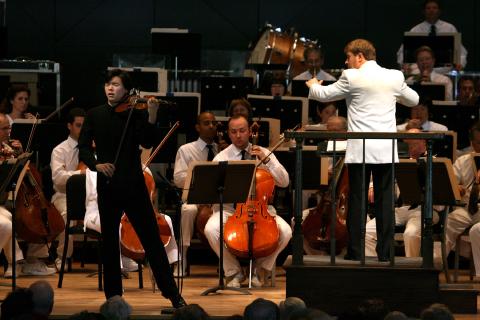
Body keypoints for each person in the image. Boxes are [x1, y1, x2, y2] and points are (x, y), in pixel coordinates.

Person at [78, 69, 186, 309]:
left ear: (126, 90)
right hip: (108, 185)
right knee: (109, 244)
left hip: (134, 185)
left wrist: (152, 113)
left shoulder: (135, 113)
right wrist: (96, 164)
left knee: (151, 240)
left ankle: (173, 295)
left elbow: (147, 141)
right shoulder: (94, 114)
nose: (110, 88)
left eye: (116, 85)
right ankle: (113, 298)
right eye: (108, 84)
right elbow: (83, 148)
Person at [307, 39, 419, 261]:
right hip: (385, 149)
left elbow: (323, 95)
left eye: (348, 57)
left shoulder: (352, 76)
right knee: (385, 203)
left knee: (357, 202)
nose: (346, 62)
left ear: (360, 56)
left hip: (361, 149)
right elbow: (414, 99)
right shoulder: (394, 76)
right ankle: (386, 254)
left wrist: (312, 85)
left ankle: (356, 252)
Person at [204, 115, 292, 287]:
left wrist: (266, 161)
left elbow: (284, 181)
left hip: (261, 209)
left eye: (242, 131)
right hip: (231, 210)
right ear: (228, 133)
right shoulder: (221, 157)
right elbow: (213, 192)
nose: (238, 135)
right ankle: (234, 271)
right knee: (211, 229)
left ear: (250, 131)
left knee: (286, 231)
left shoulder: (264, 153)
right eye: (234, 132)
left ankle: (261, 269)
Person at [365, 128, 440, 258]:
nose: (409, 146)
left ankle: (412, 270)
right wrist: (371, 186)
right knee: (366, 231)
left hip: (426, 210)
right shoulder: (399, 160)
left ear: (423, 141)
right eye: (407, 143)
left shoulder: (436, 161)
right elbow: (378, 178)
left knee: (411, 234)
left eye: (412, 142)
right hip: (400, 209)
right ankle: (377, 267)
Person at [0, 113, 56, 278]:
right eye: (4, 129)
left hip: (15, 196)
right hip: (5, 199)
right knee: (8, 220)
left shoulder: (9, 148)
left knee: (44, 216)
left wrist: (20, 154)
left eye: (9, 128)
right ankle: (14, 263)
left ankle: (29, 261)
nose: (8, 132)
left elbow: (23, 173)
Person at [35, 107, 86, 271]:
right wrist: (81, 173)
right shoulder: (59, 150)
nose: (82, 129)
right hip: (64, 195)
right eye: (78, 125)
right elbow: (58, 179)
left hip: (91, 195)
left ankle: (119, 259)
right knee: (66, 214)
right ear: (69, 126)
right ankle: (63, 256)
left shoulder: (92, 147)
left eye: (84, 126)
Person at [173, 111, 218, 276]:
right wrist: (203, 175)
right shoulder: (186, 150)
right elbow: (178, 179)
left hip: (217, 199)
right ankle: (181, 259)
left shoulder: (222, 148)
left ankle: (227, 264)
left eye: (214, 123)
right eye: (206, 123)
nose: (211, 126)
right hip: (194, 197)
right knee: (188, 210)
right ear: (198, 127)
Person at [445, 121, 480, 280]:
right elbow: (451, 183)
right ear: (473, 143)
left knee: (476, 231)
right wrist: (457, 187)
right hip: (466, 208)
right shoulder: (463, 160)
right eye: (479, 142)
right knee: (449, 221)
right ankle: (436, 265)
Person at [397, 0, 468, 73]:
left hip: (444, 71)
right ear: (424, 11)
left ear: (439, 11)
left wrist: (460, 63)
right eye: (428, 8)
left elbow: (461, 52)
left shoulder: (449, 28)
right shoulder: (415, 30)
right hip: (420, 71)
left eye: (434, 8)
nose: (431, 10)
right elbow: (402, 53)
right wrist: (404, 64)